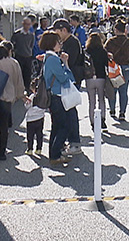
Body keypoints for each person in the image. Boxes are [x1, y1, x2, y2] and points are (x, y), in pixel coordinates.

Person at [40, 31, 76, 167]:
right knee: (64, 126)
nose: (60, 45)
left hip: (53, 95)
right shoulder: (54, 59)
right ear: (52, 43)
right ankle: (55, 154)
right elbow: (65, 78)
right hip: (58, 95)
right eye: (58, 42)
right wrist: (66, 64)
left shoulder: (48, 57)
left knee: (56, 127)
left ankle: (55, 154)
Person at [53, 18, 83, 155]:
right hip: (68, 80)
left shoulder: (72, 42)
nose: (56, 34)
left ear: (64, 30)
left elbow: (70, 62)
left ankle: (75, 142)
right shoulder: (67, 42)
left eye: (57, 31)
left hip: (71, 80)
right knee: (67, 110)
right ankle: (70, 141)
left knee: (70, 111)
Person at [105, 20, 129, 121]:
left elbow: (105, 53)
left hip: (114, 68)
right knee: (123, 91)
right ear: (125, 30)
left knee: (113, 90)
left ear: (115, 30)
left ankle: (112, 110)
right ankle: (122, 112)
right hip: (126, 67)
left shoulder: (111, 41)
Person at [85, 33, 110, 130]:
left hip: (89, 77)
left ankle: (92, 121)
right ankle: (102, 119)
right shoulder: (103, 51)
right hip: (101, 77)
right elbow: (106, 64)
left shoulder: (86, 51)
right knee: (101, 99)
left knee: (91, 101)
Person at [11, 16, 35, 88]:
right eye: (26, 24)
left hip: (28, 57)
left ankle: (27, 89)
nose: (27, 26)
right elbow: (13, 44)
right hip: (19, 56)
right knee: (19, 74)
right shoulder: (17, 34)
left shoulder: (31, 35)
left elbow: (31, 45)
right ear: (23, 24)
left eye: (29, 24)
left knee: (27, 75)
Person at [24, 91, 45, 156]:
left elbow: (27, 106)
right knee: (39, 134)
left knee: (30, 135)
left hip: (31, 118)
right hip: (40, 117)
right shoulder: (43, 96)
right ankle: (39, 149)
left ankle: (30, 149)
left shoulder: (32, 96)